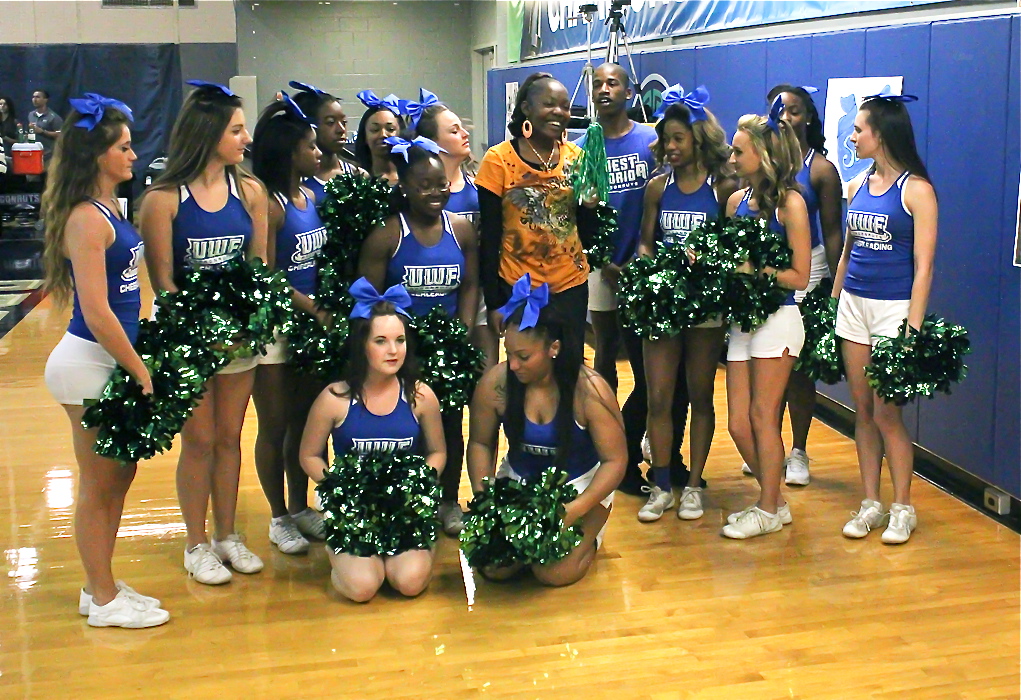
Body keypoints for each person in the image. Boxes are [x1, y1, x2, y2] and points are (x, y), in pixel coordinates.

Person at [42, 94, 169, 627]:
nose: (134, 155)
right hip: (88, 364)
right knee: (99, 484)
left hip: (110, 361)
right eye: (123, 147)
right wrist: (140, 370)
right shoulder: (85, 219)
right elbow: (96, 311)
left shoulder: (109, 207)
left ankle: (102, 587)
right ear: (98, 156)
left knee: (120, 476)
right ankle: (101, 598)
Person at [139, 80, 269, 584]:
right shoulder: (163, 199)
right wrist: (201, 334)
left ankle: (227, 535)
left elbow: (259, 270)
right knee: (198, 439)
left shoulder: (251, 192)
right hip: (187, 341)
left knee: (230, 437)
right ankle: (195, 543)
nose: (245, 138)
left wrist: (243, 328)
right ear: (208, 132)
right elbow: (164, 282)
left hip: (238, 337)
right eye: (236, 129)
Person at [466, 275, 626, 585]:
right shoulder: (496, 384)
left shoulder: (590, 391)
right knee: (494, 566)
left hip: (579, 489)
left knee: (553, 572)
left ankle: (589, 539)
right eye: (509, 354)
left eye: (523, 357)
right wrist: (485, 496)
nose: (512, 365)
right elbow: (480, 444)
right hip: (519, 483)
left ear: (554, 348)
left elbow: (616, 461)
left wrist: (576, 508)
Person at [358, 135, 478, 536]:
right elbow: (369, 301)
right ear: (405, 188)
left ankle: (447, 502)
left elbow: (471, 284)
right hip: (400, 352)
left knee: (449, 425)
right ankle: (407, 499)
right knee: (404, 425)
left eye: (440, 183)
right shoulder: (387, 235)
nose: (435, 192)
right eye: (423, 185)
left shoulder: (460, 229)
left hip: (447, 350)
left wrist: (461, 327)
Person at [832, 92, 937, 544]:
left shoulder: (917, 190)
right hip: (854, 304)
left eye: (859, 129)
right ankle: (870, 501)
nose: (852, 137)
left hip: (894, 310)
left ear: (882, 134)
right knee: (863, 410)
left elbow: (925, 266)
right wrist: (832, 300)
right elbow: (847, 252)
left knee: (887, 413)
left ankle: (902, 506)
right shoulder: (855, 186)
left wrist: (912, 330)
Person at [299, 281, 446, 602]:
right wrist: (342, 489)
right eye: (381, 341)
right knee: (363, 588)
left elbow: (437, 452)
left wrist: (417, 485)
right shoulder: (334, 398)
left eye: (400, 340)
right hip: (355, 511)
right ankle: (342, 557)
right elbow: (309, 455)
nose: (393, 350)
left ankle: (408, 554)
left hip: (403, 509)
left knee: (409, 583)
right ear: (362, 345)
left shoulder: (421, 396)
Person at [633, 86, 739, 522]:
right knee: (658, 396)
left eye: (678, 138)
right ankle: (661, 485)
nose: (670, 147)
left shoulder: (723, 189)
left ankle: (693, 484)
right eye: (666, 139)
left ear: (698, 138)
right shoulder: (657, 188)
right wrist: (650, 271)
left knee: (700, 395)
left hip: (706, 308)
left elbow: (734, 248)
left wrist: (709, 262)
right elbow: (645, 242)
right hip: (664, 305)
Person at [721, 96, 811, 539]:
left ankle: (768, 507)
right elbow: (727, 261)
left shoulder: (790, 205)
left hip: (779, 319)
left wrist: (755, 271)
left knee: (762, 416)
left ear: (764, 154)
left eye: (739, 150)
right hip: (741, 321)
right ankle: (774, 500)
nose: (732, 157)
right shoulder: (736, 201)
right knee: (738, 422)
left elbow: (799, 276)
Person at [249, 93, 331, 555]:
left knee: (305, 421)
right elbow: (269, 275)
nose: (318, 152)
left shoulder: (310, 194)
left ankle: (302, 507)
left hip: (312, 325)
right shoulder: (273, 203)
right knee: (275, 424)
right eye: (310, 145)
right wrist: (313, 308)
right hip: (279, 327)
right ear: (289, 151)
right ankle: (278, 517)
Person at [475, 72, 598, 359]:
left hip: (569, 286)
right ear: (527, 109)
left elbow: (586, 232)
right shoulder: (498, 159)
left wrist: (590, 206)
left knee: (568, 371)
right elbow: (490, 236)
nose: (559, 112)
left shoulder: (577, 159)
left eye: (565, 106)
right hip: (518, 287)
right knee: (524, 370)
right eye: (549, 104)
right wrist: (494, 302)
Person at [761, 84, 843, 486]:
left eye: (793, 111)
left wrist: (833, 288)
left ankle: (798, 451)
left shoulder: (821, 169)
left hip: (808, 270)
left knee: (798, 368)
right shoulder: (765, 164)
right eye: (779, 112)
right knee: (768, 361)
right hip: (767, 271)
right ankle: (767, 445)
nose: (785, 119)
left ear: (808, 116)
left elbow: (831, 232)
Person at [409, 89, 500, 371]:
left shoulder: (479, 186)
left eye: (462, 128)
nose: (464, 134)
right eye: (454, 130)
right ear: (432, 142)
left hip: (480, 295)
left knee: (485, 380)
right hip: (435, 295)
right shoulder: (417, 196)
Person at [289, 80, 366, 202]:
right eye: (330, 122)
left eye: (344, 122)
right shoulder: (296, 182)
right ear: (309, 127)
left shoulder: (358, 176)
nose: (341, 130)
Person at [353, 90, 404, 185]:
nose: (383, 135)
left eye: (390, 129)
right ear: (364, 137)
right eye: (375, 130)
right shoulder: (357, 181)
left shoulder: (412, 179)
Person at [28, 89, 63, 166]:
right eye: (33, 97)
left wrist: (42, 132)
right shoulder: (31, 115)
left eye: (38, 97)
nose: (34, 99)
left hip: (48, 155)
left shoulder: (54, 117)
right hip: (33, 153)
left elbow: (60, 135)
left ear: (45, 100)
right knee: (32, 177)